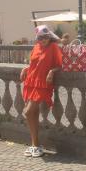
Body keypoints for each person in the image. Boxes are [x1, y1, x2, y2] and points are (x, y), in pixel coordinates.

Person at [20, 25, 62, 158]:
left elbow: (60, 65)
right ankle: (35, 145)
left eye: (45, 37)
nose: (43, 40)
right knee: (33, 113)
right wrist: (25, 69)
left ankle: (36, 145)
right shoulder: (36, 47)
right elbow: (34, 63)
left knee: (27, 112)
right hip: (32, 82)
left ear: (49, 36)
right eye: (40, 38)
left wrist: (52, 71)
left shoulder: (53, 47)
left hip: (42, 84)